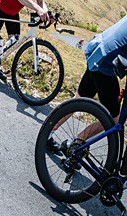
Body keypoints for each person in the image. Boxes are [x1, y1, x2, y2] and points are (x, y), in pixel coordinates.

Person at [47, 15, 127, 156]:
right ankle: (77, 142)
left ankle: (47, 133)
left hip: (96, 47)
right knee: (113, 120)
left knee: (79, 98)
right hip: (104, 61)